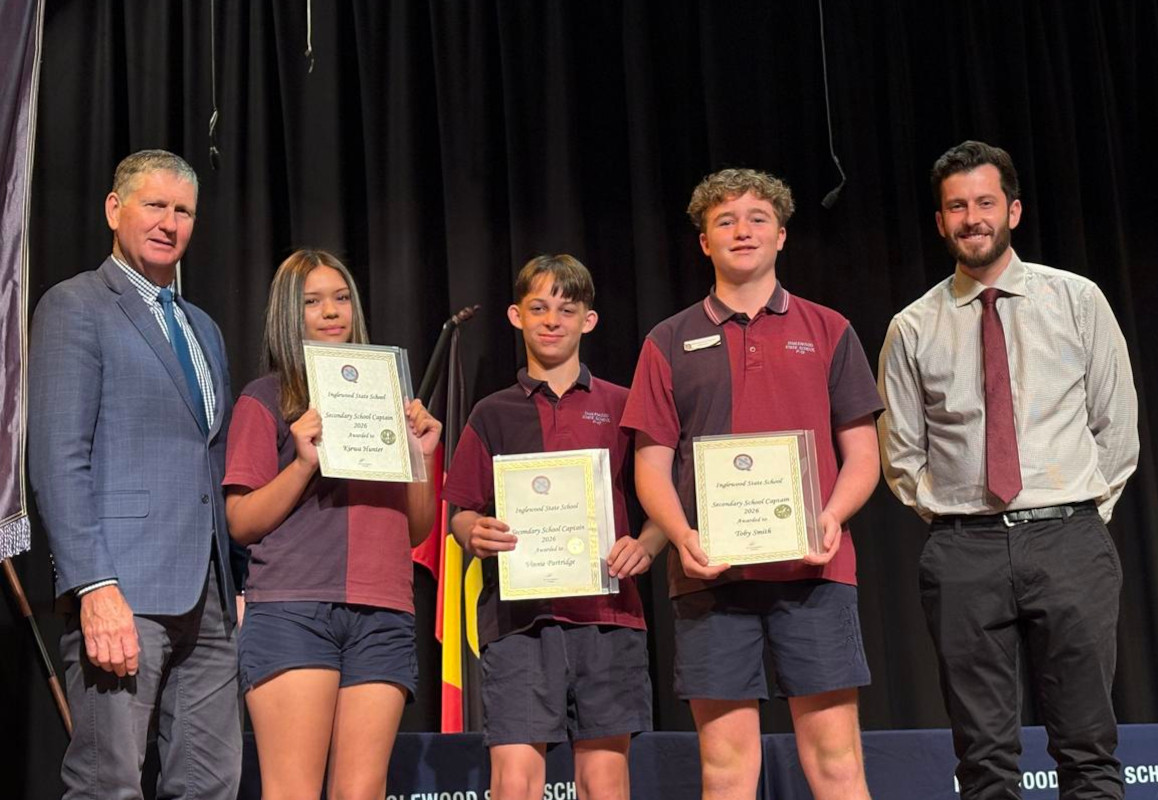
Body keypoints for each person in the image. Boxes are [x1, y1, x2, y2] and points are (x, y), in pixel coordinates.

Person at [877, 140, 1139, 799]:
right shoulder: (911, 327)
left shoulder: (1076, 301)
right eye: (956, 206)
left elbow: (1116, 424)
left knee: (1088, 745)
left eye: (985, 203)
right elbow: (902, 454)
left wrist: (1078, 512)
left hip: (1068, 538)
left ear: (1013, 211)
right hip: (964, 547)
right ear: (941, 222)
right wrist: (958, 516)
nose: (972, 218)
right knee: (984, 757)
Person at [622, 168, 882, 799]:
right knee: (726, 772)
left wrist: (833, 515)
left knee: (838, 765)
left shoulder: (829, 329)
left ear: (783, 236)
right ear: (704, 243)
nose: (743, 230)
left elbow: (865, 454)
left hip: (814, 575)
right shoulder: (667, 341)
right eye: (724, 221)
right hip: (712, 580)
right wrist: (681, 535)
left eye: (757, 218)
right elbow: (650, 466)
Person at [27, 149, 241, 798]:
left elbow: (212, 460)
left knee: (210, 784)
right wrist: (94, 587)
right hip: (122, 588)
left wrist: (235, 578)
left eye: (184, 211)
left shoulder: (203, 329)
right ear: (114, 210)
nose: (169, 222)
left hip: (209, 598)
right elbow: (58, 458)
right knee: (108, 784)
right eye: (155, 205)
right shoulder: (76, 306)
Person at [222, 249, 440, 800]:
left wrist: (421, 457)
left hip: (383, 611)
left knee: (361, 793)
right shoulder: (266, 398)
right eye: (312, 301)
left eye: (340, 298)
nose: (330, 312)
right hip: (294, 610)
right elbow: (241, 522)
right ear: (287, 314)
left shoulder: (389, 400)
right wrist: (301, 462)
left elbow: (415, 531)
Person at [443, 254, 663, 800]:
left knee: (604, 781)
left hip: (609, 614)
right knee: (514, 781)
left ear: (588, 320)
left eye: (567, 309)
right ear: (516, 316)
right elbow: (459, 510)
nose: (551, 320)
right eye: (538, 308)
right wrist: (474, 532)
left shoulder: (622, 405)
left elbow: (666, 501)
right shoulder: (491, 413)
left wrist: (650, 543)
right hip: (520, 620)